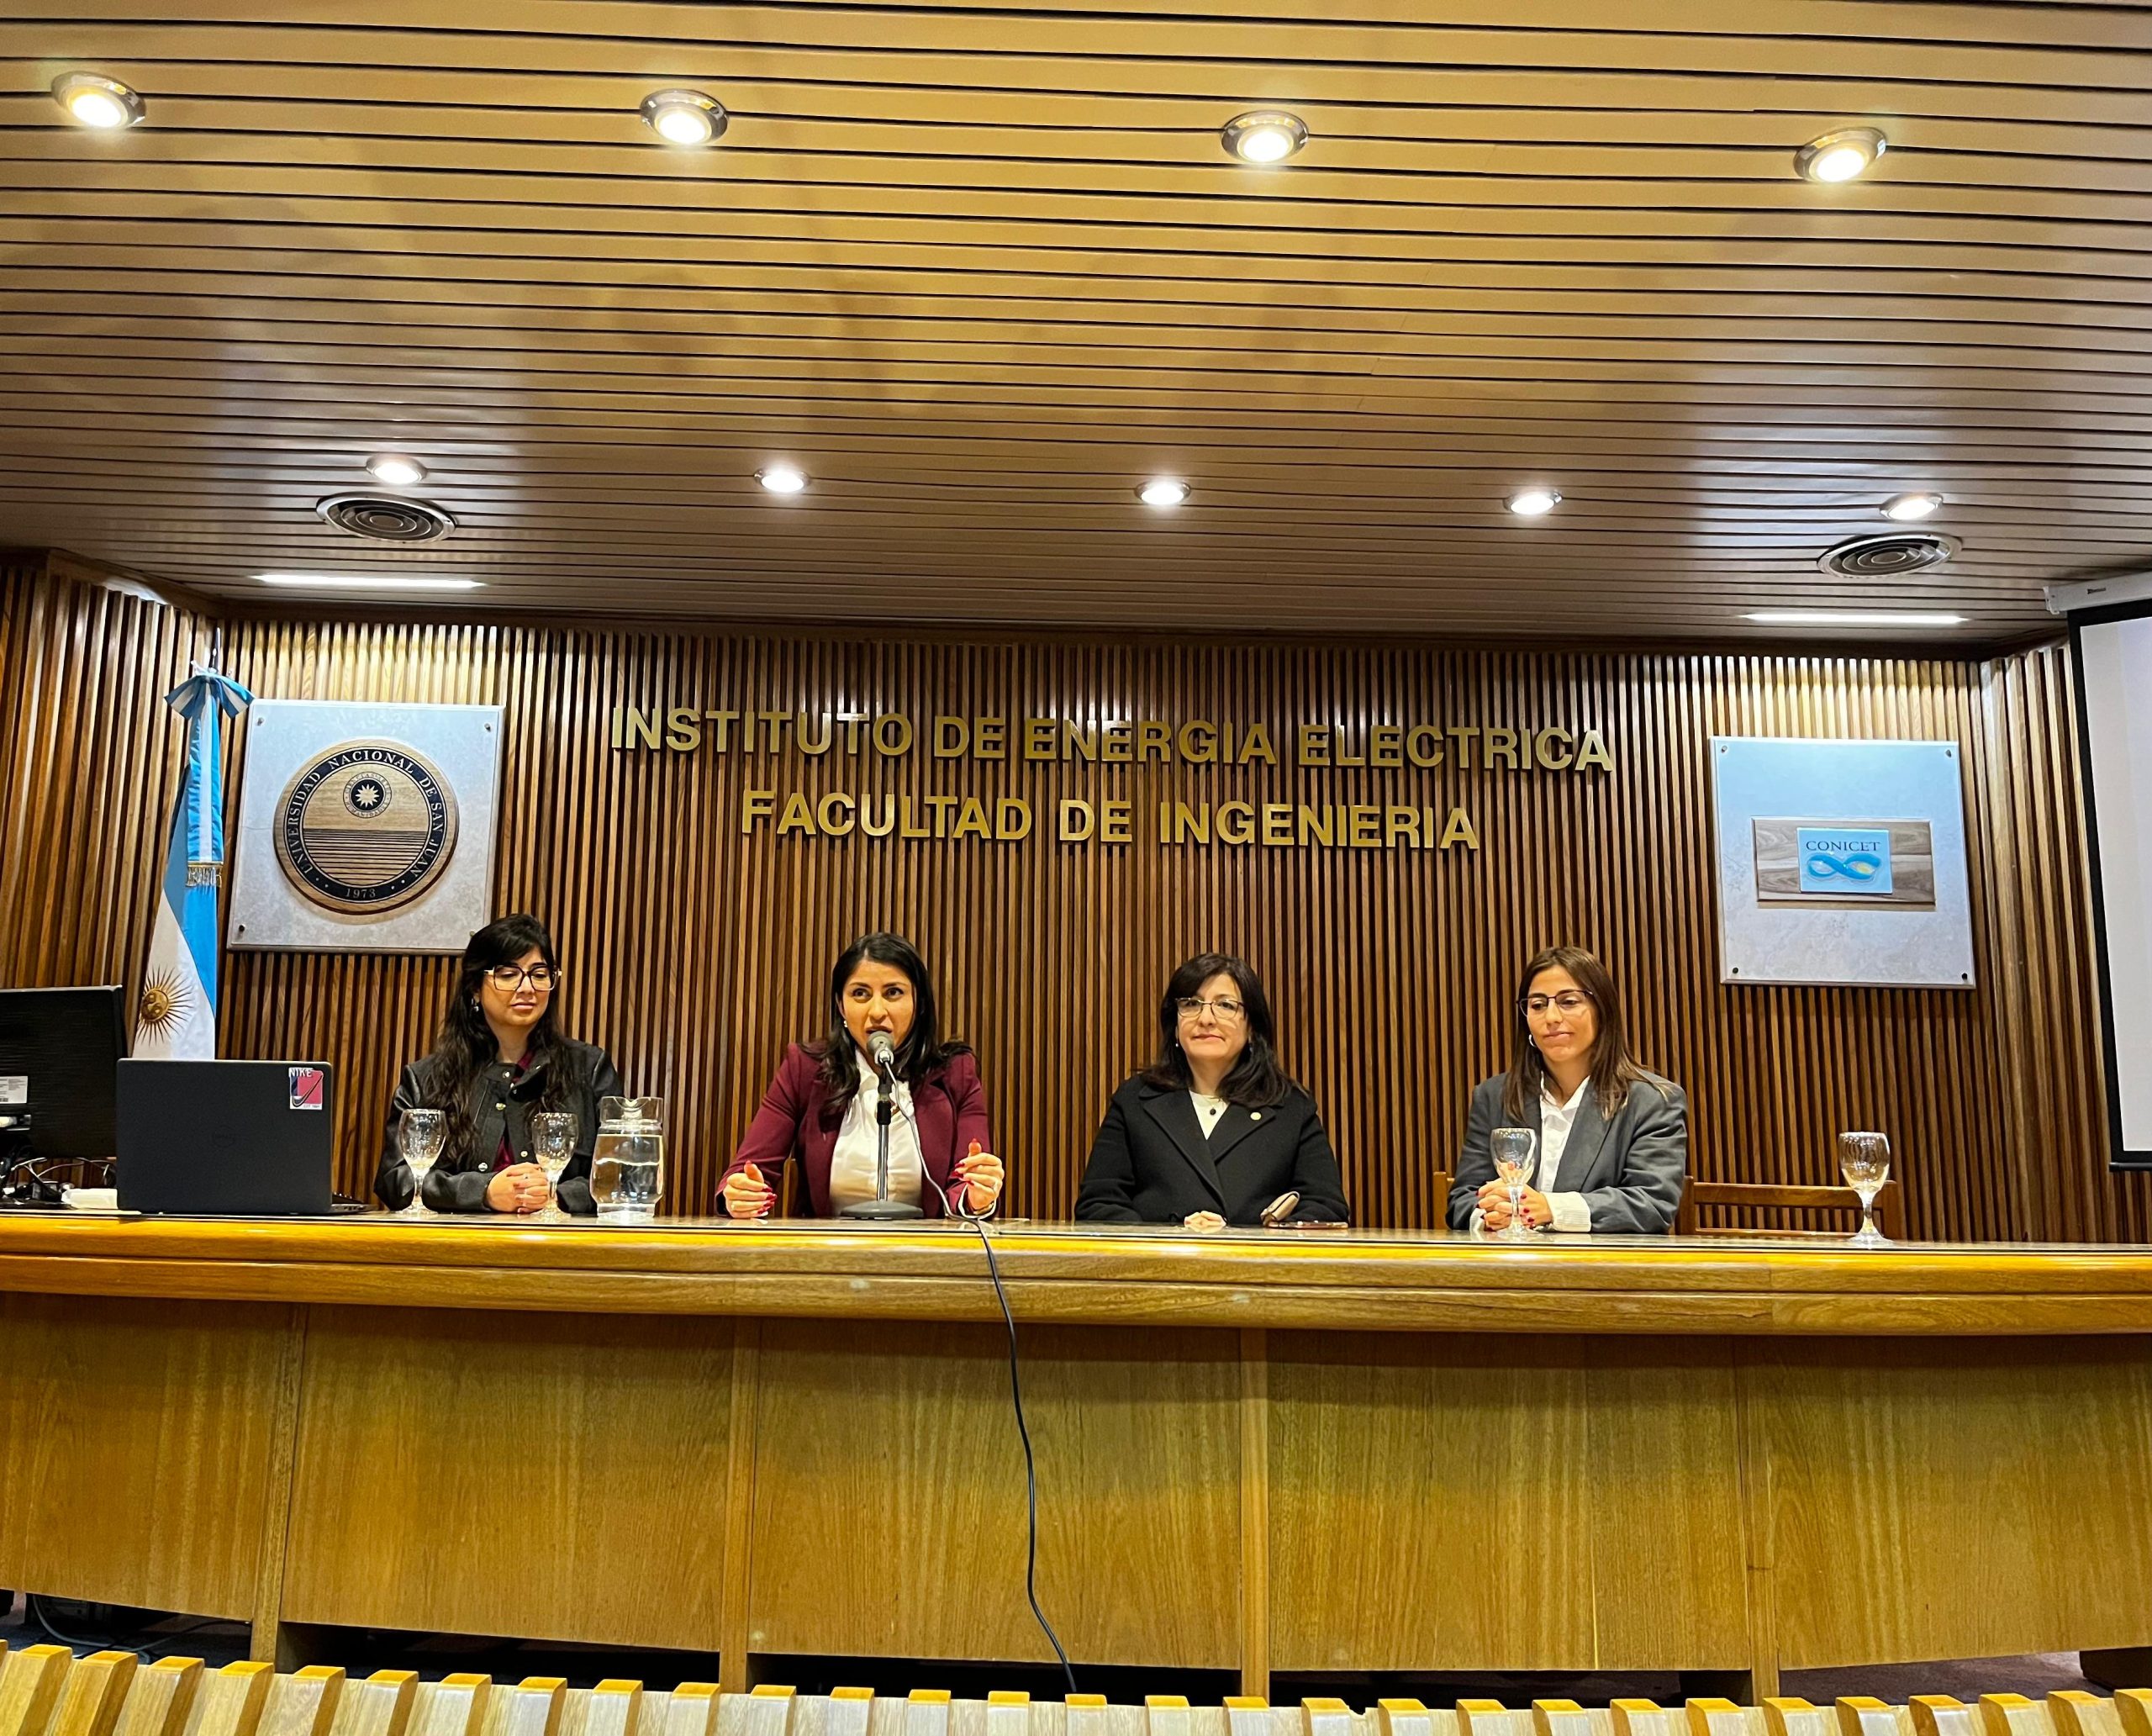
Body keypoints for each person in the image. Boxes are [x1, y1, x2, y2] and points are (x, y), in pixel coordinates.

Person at [717, 932, 1004, 1219]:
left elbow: (965, 1188)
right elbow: (749, 1171)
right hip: (826, 1256)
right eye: (860, 994)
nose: (877, 1012)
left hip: (927, 1257)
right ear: (841, 1006)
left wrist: (976, 1196)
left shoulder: (956, 1074)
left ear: (919, 1003)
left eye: (893, 992)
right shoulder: (804, 1070)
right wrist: (742, 1194)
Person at [1075, 952, 1350, 1227]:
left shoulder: (1290, 1106)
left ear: (1252, 1026)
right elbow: (1098, 1205)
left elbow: (1326, 1207)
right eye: (1192, 1004)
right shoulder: (1136, 1100)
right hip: (1159, 1267)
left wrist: (1241, 1239)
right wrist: (1173, 1236)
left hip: (1257, 1268)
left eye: (1225, 1006)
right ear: (1175, 1026)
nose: (1206, 1018)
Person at [374, 914, 622, 1216]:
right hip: (457, 1250)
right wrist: (484, 1191)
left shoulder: (590, 1068)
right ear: (475, 988)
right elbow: (394, 1180)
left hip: (562, 1250)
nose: (527, 987)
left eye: (539, 974)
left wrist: (555, 1195)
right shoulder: (425, 1078)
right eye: (508, 975)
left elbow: (622, 1175)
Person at [1447, 944, 1686, 1235]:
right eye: (1537, 1005)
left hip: (1603, 1272)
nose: (1551, 1018)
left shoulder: (1652, 1101)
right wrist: (1490, 1216)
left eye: (1568, 1002)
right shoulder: (1494, 1096)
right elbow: (1462, 1200)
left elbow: (1652, 1204)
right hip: (1508, 1270)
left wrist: (1551, 1209)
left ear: (1602, 1010)